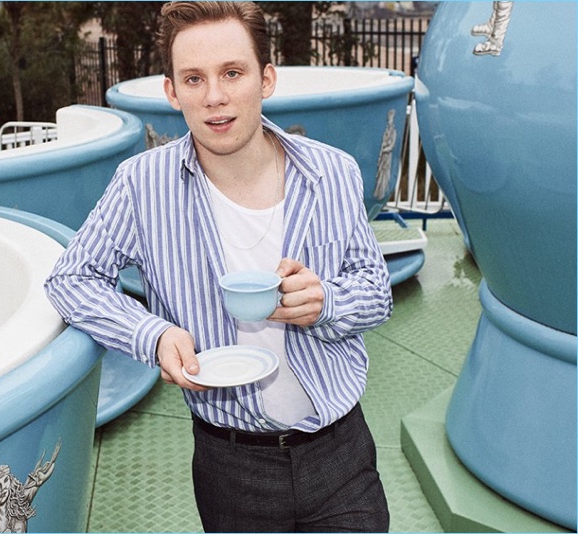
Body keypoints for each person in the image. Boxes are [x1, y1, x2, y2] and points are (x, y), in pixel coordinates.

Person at [45, 2, 393, 531]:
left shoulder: (332, 173)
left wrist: (328, 302)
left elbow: (376, 291)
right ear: (172, 92)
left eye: (233, 73)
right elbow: (71, 280)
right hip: (229, 465)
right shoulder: (143, 186)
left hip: (340, 454)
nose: (215, 97)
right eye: (194, 78)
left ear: (266, 79)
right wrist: (152, 334)